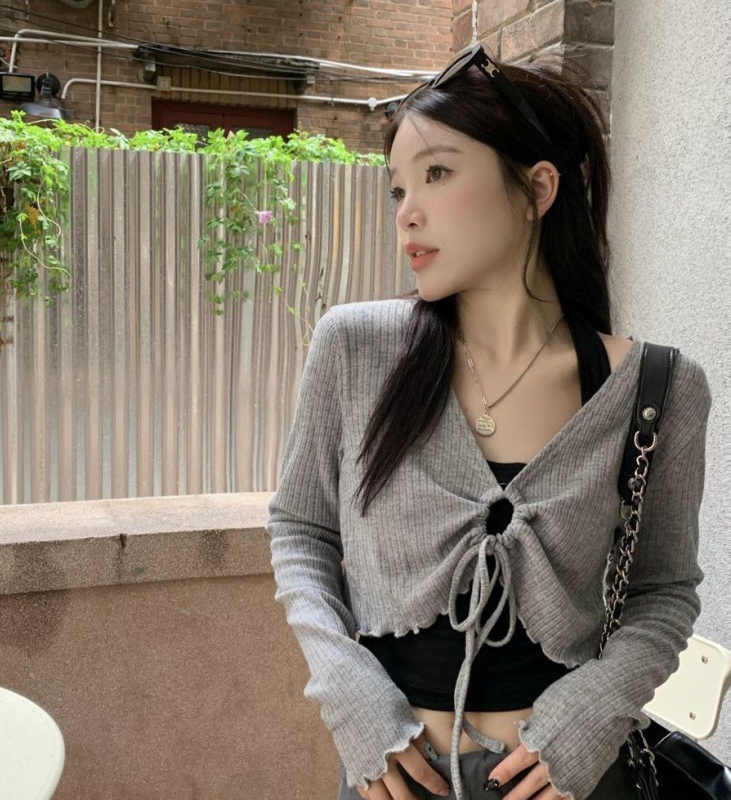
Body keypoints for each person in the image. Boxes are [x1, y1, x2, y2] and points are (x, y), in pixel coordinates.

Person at [265, 44, 712, 800]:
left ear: (537, 188)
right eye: (398, 187)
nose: (408, 211)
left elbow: (662, 593)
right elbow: (302, 530)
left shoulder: (656, 390)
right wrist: (348, 695)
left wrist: (588, 721)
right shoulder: (355, 348)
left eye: (437, 173)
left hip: (566, 782)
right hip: (391, 778)